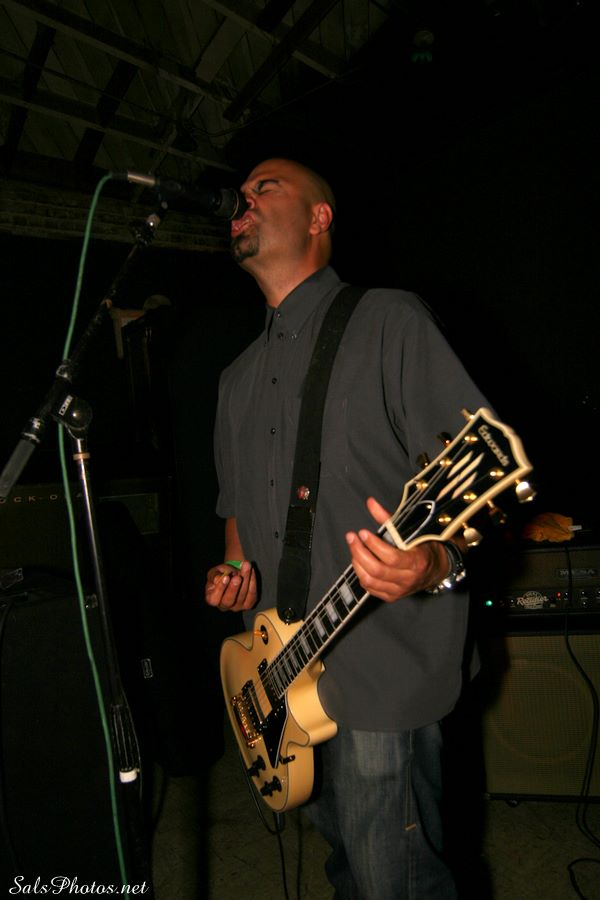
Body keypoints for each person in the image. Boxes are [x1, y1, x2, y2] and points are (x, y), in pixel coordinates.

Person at [204, 158, 490, 898]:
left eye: (265, 187)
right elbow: (237, 506)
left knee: (394, 873)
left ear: (319, 218)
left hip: (379, 653)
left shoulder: (390, 320)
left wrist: (430, 563)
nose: (243, 199)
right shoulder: (234, 380)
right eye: (241, 193)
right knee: (344, 867)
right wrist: (234, 570)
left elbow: (473, 475)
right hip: (283, 663)